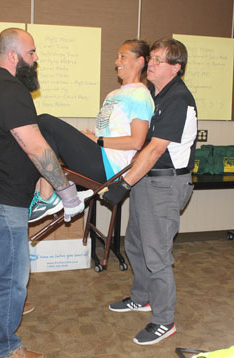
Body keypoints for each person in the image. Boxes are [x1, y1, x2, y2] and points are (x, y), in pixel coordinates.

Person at [0, 28, 90, 358]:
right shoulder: (8, 90)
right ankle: (4, 349)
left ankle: (10, 307)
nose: (36, 60)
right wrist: (66, 191)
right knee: (12, 277)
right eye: (32, 54)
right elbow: (34, 146)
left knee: (4, 266)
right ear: (14, 56)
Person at [104, 38, 197, 345]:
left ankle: (163, 320)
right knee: (135, 243)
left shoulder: (178, 99)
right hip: (148, 179)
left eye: (158, 60)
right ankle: (142, 297)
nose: (151, 64)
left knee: (156, 255)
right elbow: (138, 141)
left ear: (176, 67)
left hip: (167, 183)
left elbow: (155, 148)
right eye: (151, 58)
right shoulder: (153, 95)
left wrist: (125, 183)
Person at [28, 39, 154, 223]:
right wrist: (91, 138)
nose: (117, 61)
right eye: (117, 57)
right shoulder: (113, 95)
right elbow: (110, 132)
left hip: (110, 168)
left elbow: (137, 141)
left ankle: (47, 196)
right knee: (44, 134)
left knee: (45, 122)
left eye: (123, 56)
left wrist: (98, 140)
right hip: (99, 156)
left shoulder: (141, 95)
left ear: (140, 61)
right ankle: (42, 194)